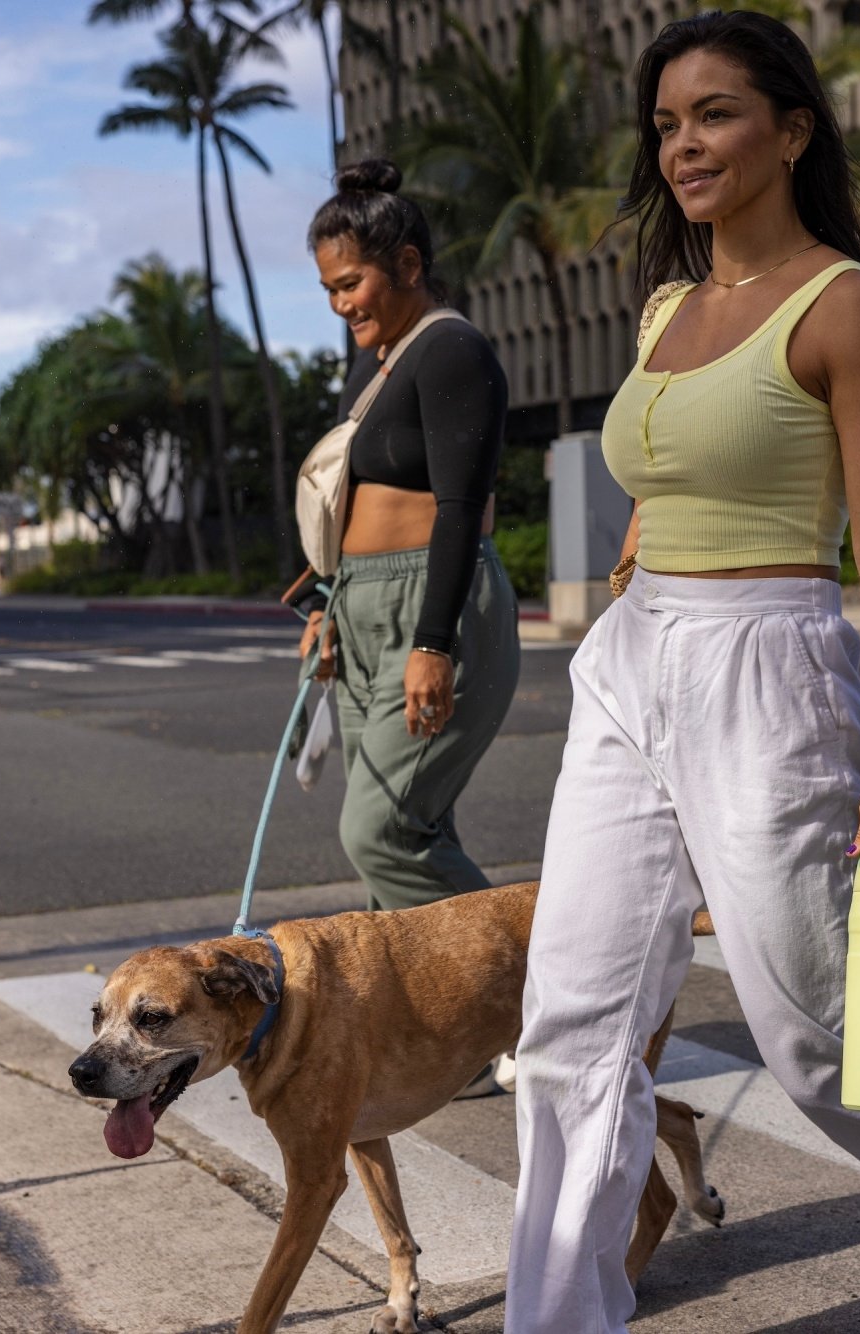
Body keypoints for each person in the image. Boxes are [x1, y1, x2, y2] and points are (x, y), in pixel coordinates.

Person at [506, 13, 860, 1330]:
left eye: (713, 114)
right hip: (631, 660)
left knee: (815, 1036)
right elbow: (677, 460)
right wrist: (654, 535)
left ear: (791, 130)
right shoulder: (667, 304)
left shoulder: (845, 305)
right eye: (664, 123)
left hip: (773, 670)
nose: (682, 144)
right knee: (569, 1031)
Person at [301, 160, 522, 984]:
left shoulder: (451, 351)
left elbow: (460, 508)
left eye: (351, 282)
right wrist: (327, 609)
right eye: (328, 289)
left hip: (434, 606)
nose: (340, 303)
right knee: (408, 842)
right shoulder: (376, 361)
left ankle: (543, 997)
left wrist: (434, 643)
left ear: (408, 265)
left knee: (383, 833)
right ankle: (448, 1031)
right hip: (361, 611)